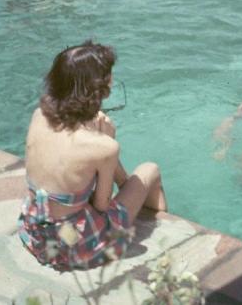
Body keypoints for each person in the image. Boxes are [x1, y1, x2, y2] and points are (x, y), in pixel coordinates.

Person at [18, 41, 168, 271]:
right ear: (99, 90)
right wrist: (108, 142)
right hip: (74, 248)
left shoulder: (38, 115)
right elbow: (101, 205)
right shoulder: (102, 146)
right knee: (150, 171)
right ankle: (166, 231)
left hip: (37, 236)